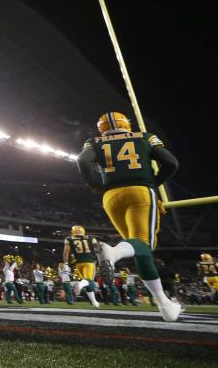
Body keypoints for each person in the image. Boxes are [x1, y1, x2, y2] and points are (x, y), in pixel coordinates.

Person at [76, 111, 181, 321]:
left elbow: (82, 160)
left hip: (111, 196)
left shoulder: (94, 141)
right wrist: (155, 183)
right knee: (143, 243)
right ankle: (113, 253)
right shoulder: (144, 136)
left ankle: (165, 306)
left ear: (102, 128)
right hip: (140, 191)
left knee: (139, 249)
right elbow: (171, 163)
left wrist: (95, 184)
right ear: (127, 124)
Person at [63, 225, 100, 308]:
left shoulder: (69, 239)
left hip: (79, 264)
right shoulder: (91, 238)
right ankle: (79, 285)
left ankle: (94, 302)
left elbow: (66, 252)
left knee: (87, 282)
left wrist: (65, 263)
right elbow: (97, 249)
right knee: (89, 281)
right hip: (89, 262)